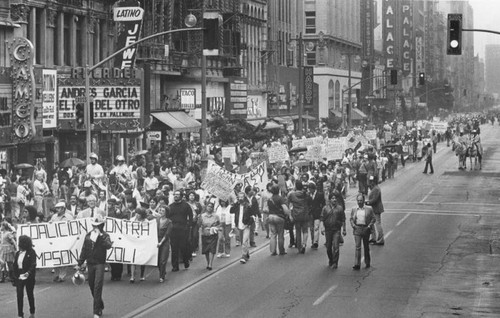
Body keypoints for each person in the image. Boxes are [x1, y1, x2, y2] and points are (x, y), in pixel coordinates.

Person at [76, 215, 113, 318]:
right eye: (94, 225)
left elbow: (108, 245)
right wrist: (80, 262)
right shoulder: (88, 235)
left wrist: (100, 236)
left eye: (98, 225)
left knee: (97, 286)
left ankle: (96, 311)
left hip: (100, 263)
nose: (96, 227)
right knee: (91, 285)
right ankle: (99, 303)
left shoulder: (105, 236)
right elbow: (84, 250)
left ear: (102, 226)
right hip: (90, 263)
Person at [167, 190, 193, 272]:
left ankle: (186, 261)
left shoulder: (186, 205)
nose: (176, 196)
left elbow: (191, 215)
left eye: (177, 195)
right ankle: (175, 266)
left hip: (183, 230)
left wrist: (189, 225)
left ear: (181, 196)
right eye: (174, 194)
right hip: (173, 230)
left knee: (183, 247)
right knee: (174, 248)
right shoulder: (170, 206)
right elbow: (167, 217)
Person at [13, 235, 37, 318]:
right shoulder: (17, 253)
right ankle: (20, 314)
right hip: (20, 275)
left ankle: (32, 312)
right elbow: (15, 265)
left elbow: (33, 264)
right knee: (19, 295)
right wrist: (15, 277)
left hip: (28, 276)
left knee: (30, 294)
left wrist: (28, 273)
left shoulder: (31, 252)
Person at [320, 194, 346, 269]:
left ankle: (335, 262)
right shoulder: (325, 208)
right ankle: (331, 259)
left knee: (336, 246)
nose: (334, 200)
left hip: (336, 230)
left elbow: (343, 219)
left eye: (335, 198)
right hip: (328, 230)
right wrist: (322, 227)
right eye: (332, 198)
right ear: (329, 200)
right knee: (328, 247)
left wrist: (344, 229)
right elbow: (322, 218)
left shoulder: (340, 208)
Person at [350, 194, 375, 270]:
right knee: (358, 247)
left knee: (366, 246)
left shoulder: (369, 209)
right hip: (357, 228)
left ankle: (367, 262)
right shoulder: (354, 209)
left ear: (363, 201)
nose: (359, 202)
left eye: (361, 200)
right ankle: (357, 264)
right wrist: (353, 225)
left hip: (365, 229)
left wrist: (369, 226)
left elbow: (373, 218)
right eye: (358, 201)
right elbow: (351, 218)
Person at [230, 192, 255, 264]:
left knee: (244, 241)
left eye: (242, 197)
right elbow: (231, 211)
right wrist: (233, 204)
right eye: (239, 197)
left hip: (246, 225)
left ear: (244, 198)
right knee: (242, 242)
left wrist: (249, 223)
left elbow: (253, 215)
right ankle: (246, 254)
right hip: (239, 225)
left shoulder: (248, 206)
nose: (240, 198)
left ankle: (243, 256)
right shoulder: (236, 206)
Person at [287, 180, 311, 254]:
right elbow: (309, 203)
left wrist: (290, 215)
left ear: (296, 186)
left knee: (298, 231)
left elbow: (289, 204)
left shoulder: (292, 195)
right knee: (305, 231)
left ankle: (299, 247)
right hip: (305, 214)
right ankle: (304, 244)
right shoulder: (306, 194)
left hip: (296, 215)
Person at [266, 185, 291, 256]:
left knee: (273, 234)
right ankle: (281, 250)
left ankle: (273, 251)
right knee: (280, 234)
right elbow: (285, 209)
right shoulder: (280, 199)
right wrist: (288, 214)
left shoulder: (270, 199)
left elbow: (267, 209)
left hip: (271, 217)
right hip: (279, 217)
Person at [198, 202, 220, 270]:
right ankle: (208, 262)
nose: (209, 208)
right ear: (206, 207)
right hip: (205, 234)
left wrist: (215, 227)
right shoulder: (202, 216)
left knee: (212, 249)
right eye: (208, 206)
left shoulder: (215, 216)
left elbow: (219, 224)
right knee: (206, 249)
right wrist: (199, 219)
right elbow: (199, 225)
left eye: (211, 207)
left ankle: (210, 264)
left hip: (213, 234)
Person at [129, 208, 149, 283]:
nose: (137, 215)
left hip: (142, 242)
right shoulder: (131, 220)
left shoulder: (146, 221)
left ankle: (142, 275)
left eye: (139, 214)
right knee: (133, 259)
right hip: (134, 241)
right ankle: (132, 276)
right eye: (136, 213)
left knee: (142, 260)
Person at [366, 176, 385, 245]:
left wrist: (367, 202)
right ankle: (373, 238)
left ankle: (380, 239)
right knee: (372, 223)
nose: (370, 182)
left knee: (377, 223)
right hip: (373, 208)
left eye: (371, 181)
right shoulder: (374, 188)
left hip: (376, 208)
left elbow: (374, 200)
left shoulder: (376, 189)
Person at [156, 205, 172, 283]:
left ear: (166, 212)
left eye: (163, 211)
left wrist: (161, 242)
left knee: (163, 260)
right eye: (160, 210)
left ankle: (161, 276)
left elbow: (167, 234)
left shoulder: (169, 222)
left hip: (164, 242)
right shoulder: (157, 220)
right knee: (158, 260)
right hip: (157, 241)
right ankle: (162, 271)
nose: (161, 212)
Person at [308, 182, 325, 249]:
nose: (309, 190)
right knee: (311, 229)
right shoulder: (308, 195)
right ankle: (313, 241)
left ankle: (315, 242)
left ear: (314, 189)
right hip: (311, 214)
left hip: (317, 213)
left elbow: (323, 204)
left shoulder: (320, 194)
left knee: (316, 228)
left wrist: (322, 213)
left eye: (310, 189)